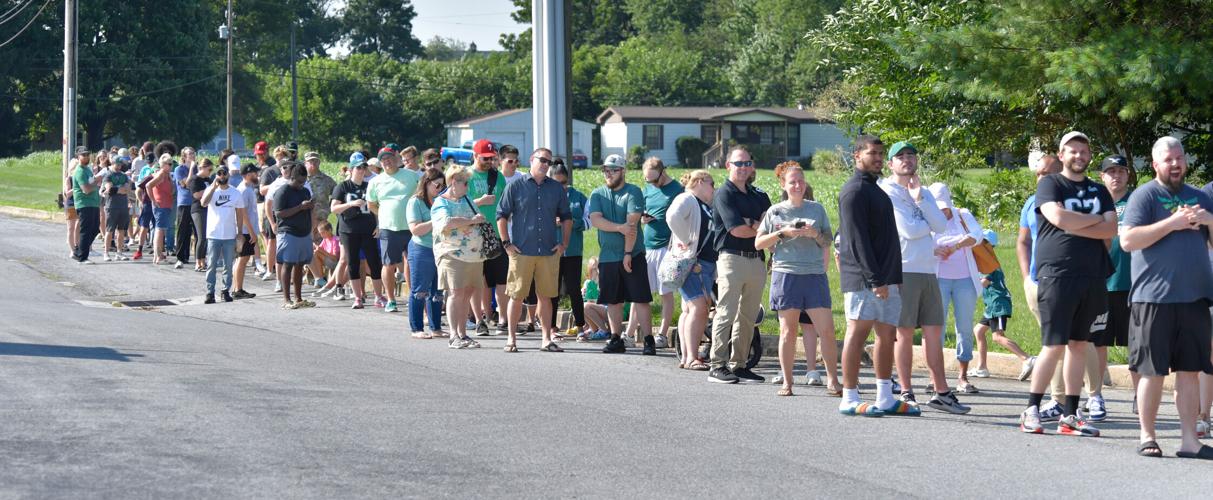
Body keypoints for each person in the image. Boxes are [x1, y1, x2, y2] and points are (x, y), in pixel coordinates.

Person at [1120, 136, 1213, 458]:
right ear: (1156, 163)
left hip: (1195, 299)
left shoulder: (1200, 197)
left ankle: (1190, 441)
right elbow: (1128, 240)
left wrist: (1209, 221)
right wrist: (1171, 224)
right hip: (1153, 299)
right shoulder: (1145, 196)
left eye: (1179, 158)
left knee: (1189, 371)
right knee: (1152, 372)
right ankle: (1148, 436)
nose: (1175, 164)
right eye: (1168, 159)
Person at [1019, 131, 1116, 437]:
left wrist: (1077, 223)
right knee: (1054, 344)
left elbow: (1112, 228)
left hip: (1092, 276)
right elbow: (1057, 217)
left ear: (1089, 155)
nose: (1078, 156)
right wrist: (1093, 223)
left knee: (1078, 344)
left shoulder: (1099, 189)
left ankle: (1070, 415)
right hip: (1058, 274)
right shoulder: (1050, 183)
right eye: (1072, 151)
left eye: (1083, 151)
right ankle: (1031, 409)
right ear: (1061, 155)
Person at [879, 142, 968, 414]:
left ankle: (941, 392)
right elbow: (908, 230)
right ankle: (906, 390)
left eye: (910, 155)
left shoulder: (923, 191)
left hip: (929, 269)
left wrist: (919, 200)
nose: (906, 160)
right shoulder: (888, 192)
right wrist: (927, 222)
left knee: (934, 333)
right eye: (900, 156)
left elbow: (940, 226)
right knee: (904, 334)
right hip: (903, 269)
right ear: (890, 164)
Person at [836, 135, 907, 416]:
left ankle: (885, 396)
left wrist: (893, 276)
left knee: (886, 335)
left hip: (887, 278)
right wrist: (876, 279)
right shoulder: (853, 191)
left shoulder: (876, 190)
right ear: (857, 157)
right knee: (857, 333)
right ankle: (849, 397)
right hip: (865, 279)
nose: (877, 158)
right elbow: (857, 242)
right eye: (871, 153)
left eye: (880, 153)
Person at [755, 165, 838, 397]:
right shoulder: (775, 211)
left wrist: (815, 235)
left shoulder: (817, 209)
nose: (798, 185)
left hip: (814, 275)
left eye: (801, 181)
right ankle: (788, 383)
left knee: (827, 331)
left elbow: (827, 241)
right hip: (786, 274)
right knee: (787, 332)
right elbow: (758, 243)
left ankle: (833, 381)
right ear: (783, 185)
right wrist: (784, 233)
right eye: (792, 182)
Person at [497, 148, 573, 352]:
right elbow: (501, 215)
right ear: (531, 160)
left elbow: (567, 217)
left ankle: (546, 339)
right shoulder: (515, 186)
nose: (546, 165)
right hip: (521, 251)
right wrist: (506, 243)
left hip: (548, 251)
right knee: (516, 296)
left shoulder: (556, 188)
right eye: (542, 160)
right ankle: (511, 339)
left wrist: (564, 243)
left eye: (549, 162)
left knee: (546, 297)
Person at [706, 146, 770, 382]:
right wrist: (758, 226)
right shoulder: (724, 194)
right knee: (726, 312)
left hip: (756, 260)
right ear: (728, 166)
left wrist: (753, 224)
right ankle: (717, 364)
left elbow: (769, 227)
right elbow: (737, 230)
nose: (743, 168)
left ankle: (739, 364)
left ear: (751, 166)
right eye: (738, 163)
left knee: (749, 316)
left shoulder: (760, 195)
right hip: (731, 259)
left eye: (746, 163)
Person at [1086, 154, 1134, 422]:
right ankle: (1096, 394)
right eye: (1111, 171)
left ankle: (1141, 394)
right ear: (1102, 176)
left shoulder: (1138, 202)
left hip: (1133, 283)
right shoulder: (1094, 205)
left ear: (1128, 175)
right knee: (1098, 341)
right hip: (1101, 283)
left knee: (1137, 343)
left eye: (1121, 171)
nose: (1116, 176)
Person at [928, 183, 985, 394]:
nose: (943, 212)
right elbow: (921, 243)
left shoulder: (962, 215)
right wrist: (935, 250)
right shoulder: (928, 217)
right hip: (938, 280)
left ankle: (963, 376)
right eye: (939, 208)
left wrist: (954, 246)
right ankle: (935, 377)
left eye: (945, 207)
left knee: (964, 327)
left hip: (965, 280)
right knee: (936, 329)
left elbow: (977, 236)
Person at [432, 165, 488, 349]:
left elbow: (475, 217)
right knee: (456, 293)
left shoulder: (467, 199)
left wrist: (478, 217)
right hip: (451, 254)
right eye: (465, 183)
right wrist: (472, 220)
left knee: (467, 293)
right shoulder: (441, 202)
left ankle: (463, 334)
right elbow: (446, 223)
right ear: (454, 182)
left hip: (473, 255)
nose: (467, 187)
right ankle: (454, 335)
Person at [667, 170, 716, 371]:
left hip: (701, 264)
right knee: (698, 309)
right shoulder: (687, 198)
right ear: (700, 182)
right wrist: (687, 242)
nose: (714, 188)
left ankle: (687, 356)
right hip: (693, 264)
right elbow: (672, 216)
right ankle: (691, 357)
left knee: (689, 309)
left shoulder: (703, 204)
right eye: (712, 184)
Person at [971, 230, 1035, 380]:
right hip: (993, 304)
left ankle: (1027, 359)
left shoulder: (989, 264)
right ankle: (982, 367)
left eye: (982, 243)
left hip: (998, 303)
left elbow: (983, 284)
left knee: (997, 337)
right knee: (979, 331)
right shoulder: (987, 262)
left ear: (988, 245)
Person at [367, 145, 420, 313]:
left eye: (389, 157)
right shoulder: (376, 181)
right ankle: (390, 300)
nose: (386, 161)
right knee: (388, 265)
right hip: (388, 229)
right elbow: (371, 204)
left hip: (411, 227)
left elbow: (422, 196)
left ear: (396, 158)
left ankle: (414, 297)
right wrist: (383, 214)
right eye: (383, 159)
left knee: (412, 263)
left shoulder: (411, 176)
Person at [465, 139, 509, 335]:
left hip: (496, 234)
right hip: (474, 234)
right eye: (485, 158)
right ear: (475, 156)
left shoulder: (497, 177)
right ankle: (481, 318)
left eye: (492, 158)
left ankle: (503, 320)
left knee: (501, 279)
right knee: (478, 279)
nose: (489, 161)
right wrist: (479, 202)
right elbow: (457, 205)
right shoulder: (465, 176)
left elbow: (504, 205)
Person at [331, 153, 386, 310]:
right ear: (351, 169)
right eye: (359, 167)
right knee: (353, 263)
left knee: (375, 263)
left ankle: (378, 296)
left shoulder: (369, 186)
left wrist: (378, 225)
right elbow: (334, 208)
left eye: (364, 167)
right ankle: (357, 297)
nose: (362, 170)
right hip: (349, 230)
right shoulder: (342, 187)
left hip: (368, 229)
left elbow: (377, 208)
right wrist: (351, 204)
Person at [640, 157, 684, 350]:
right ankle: (630, 332)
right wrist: (642, 218)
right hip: (647, 245)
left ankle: (662, 334)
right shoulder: (648, 189)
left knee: (665, 293)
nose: (650, 183)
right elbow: (641, 210)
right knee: (641, 293)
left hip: (667, 247)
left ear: (662, 172)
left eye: (653, 179)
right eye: (647, 180)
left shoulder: (677, 190)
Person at [546, 162, 589, 339]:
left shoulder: (579, 197)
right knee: (552, 289)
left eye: (564, 182)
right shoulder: (545, 196)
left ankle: (580, 326)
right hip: (551, 251)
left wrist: (569, 222)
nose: (561, 186)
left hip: (573, 251)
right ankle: (551, 328)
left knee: (574, 289)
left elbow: (588, 222)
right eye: (557, 183)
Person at [406, 168, 447, 338]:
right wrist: (435, 220)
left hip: (439, 248)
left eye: (442, 186)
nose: (439, 189)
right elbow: (415, 229)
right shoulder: (415, 202)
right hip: (421, 249)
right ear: (427, 183)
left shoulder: (441, 201)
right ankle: (416, 328)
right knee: (419, 290)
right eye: (437, 185)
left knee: (437, 292)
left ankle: (435, 327)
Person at [201, 165, 250, 304]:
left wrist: (240, 233)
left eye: (224, 173)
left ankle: (225, 291)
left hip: (229, 235)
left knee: (228, 265)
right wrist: (213, 187)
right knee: (211, 265)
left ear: (228, 175)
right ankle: (210, 292)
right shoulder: (211, 190)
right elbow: (203, 203)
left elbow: (240, 214)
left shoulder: (235, 193)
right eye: (219, 173)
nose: (222, 176)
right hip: (213, 234)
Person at [273, 162, 317, 309]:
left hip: (303, 232)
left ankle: (298, 298)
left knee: (300, 264)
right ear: (292, 177)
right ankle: (286, 299)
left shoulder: (305, 191)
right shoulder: (283, 191)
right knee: (288, 263)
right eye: (299, 181)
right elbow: (279, 213)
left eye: (303, 182)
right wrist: (300, 207)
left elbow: (309, 210)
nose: (301, 184)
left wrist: (310, 207)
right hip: (288, 231)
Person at [231, 163, 261, 300]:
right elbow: (243, 214)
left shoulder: (248, 188)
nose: (257, 175)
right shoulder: (243, 190)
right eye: (255, 173)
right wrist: (251, 232)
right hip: (245, 231)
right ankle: (238, 289)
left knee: (242, 259)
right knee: (242, 259)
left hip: (247, 230)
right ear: (248, 174)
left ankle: (237, 288)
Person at [70, 146, 102, 264]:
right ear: (78, 157)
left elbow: (91, 183)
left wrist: (96, 179)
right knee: (86, 230)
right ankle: (83, 257)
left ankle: (78, 251)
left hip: (93, 203)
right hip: (84, 204)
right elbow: (86, 189)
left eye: (87, 154)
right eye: (83, 155)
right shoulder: (79, 171)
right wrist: (97, 182)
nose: (86, 157)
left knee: (95, 229)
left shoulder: (87, 169)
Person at [256, 141, 281, 282]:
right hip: (264, 203)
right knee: (265, 234)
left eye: (262, 153)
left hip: (271, 205)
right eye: (259, 154)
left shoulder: (270, 166)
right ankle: (270, 266)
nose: (260, 156)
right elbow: (261, 188)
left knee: (269, 237)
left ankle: (272, 266)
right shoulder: (264, 167)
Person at [146, 154, 177, 265]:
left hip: (166, 205)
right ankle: (158, 256)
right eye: (168, 164)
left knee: (161, 230)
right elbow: (148, 186)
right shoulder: (161, 175)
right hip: (161, 206)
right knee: (159, 230)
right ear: (162, 164)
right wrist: (153, 200)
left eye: (171, 163)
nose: (170, 165)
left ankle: (157, 256)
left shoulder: (167, 175)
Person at [101, 157, 132, 262]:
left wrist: (117, 189)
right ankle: (106, 252)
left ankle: (119, 252)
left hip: (123, 206)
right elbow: (109, 190)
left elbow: (127, 189)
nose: (119, 167)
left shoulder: (124, 176)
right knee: (109, 230)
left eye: (120, 165)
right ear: (112, 163)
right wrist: (119, 189)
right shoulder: (108, 175)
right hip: (112, 206)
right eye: (117, 164)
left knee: (122, 230)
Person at [304, 152, 337, 243]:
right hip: (305, 219)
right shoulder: (301, 180)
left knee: (322, 246)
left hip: (322, 219)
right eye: (310, 161)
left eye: (315, 161)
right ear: (305, 163)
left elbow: (337, 194)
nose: (313, 163)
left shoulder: (327, 180)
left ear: (319, 162)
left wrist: (329, 208)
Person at [173, 147, 198, 268]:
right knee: (183, 230)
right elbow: (186, 184)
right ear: (184, 156)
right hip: (184, 202)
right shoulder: (179, 169)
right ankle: (180, 257)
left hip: (196, 202)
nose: (192, 156)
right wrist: (192, 169)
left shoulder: (197, 169)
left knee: (195, 231)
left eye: (193, 153)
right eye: (189, 154)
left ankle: (193, 256)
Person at [188, 158, 214, 272]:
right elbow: (197, 195)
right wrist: (210, 189)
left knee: (206, 237)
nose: (210, 172)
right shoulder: (195, 179)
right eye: (209, 169)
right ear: (203, 167)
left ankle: (203, 260)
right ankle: (198, 262)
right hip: (198, 209)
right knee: (201, 236)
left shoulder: (208, 179)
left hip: (208, 209)